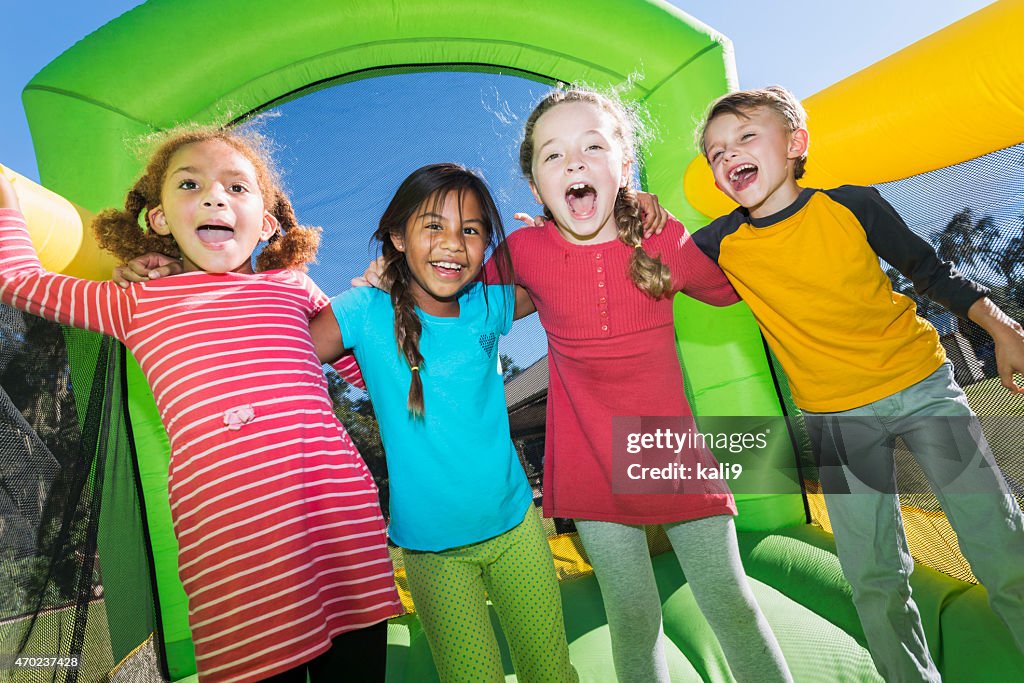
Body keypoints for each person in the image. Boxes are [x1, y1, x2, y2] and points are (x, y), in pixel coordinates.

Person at [0, 126, 402, 683]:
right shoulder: (138, 300)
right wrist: (5, 193)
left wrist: (379, 306)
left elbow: (373, 375)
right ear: (160, 217)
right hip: (233, 549)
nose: (215, 197)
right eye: (190, 184)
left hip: (339, 524)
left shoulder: (292, 288)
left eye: (237, 187)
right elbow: (20, 280)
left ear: (267, 222)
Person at [696, 85, 1024, 682]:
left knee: (998, 542)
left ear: (795, 144)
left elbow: (930, 271)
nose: (729, 155)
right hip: (836, 419)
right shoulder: (720, 244)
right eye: (716, 153)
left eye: (746, 137)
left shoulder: (850, 205)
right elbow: (647, 267)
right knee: (873, 576)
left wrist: (1002, 328)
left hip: (920, 388)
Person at [501, 87, 793, 683]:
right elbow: (455, 290)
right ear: (535, 187)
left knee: (731, 605)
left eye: (592, 147)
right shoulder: (525, 250)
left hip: (668, 451)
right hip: (589, 457)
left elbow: (735, 283)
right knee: (633, 617)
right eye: (553, 157)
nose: (575, 164)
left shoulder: (663, 239)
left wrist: (755, 215)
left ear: (623, 166)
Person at [308, 163, 576, 682]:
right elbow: (278, 346)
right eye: (433, 226)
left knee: (552, 671)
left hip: (516, 526)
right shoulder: (364, 309)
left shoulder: (487, 305)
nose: (453, 243)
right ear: (396, 236)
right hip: (433, 551)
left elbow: (560, 273)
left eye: (470, 230)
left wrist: (558, 223)